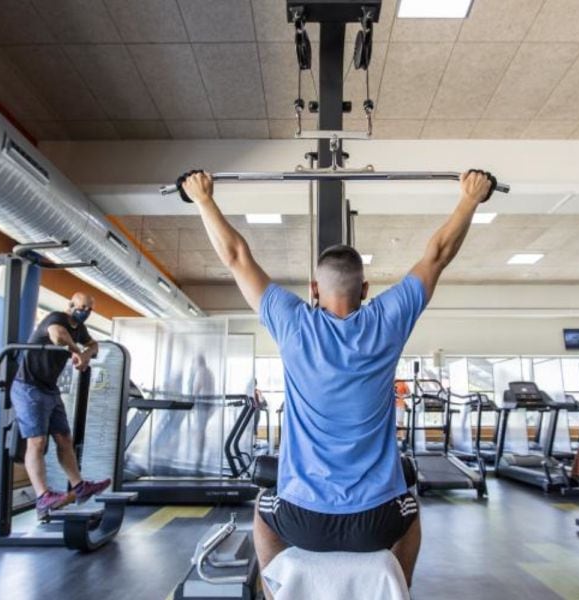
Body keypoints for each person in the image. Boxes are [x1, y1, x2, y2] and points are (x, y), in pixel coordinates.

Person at [182, 169, 494, 595]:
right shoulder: (387, 321)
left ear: (313, 289)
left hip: (301, 521)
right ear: (365, 289)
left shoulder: (292, 323)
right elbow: (437, 254)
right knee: (413, 509)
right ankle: (399, 589)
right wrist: (470, 198)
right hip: (378, 521)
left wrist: (203, 199)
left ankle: (276, 595)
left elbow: (236, 256)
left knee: (262, 508)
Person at [11, 292, 112, 520]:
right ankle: (42, 496)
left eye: (89, 309)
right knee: (37, 441)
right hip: (28, 386)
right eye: (82, 307)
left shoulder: (79, 329)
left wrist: (87, 353)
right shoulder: (57, 318)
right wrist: (77, 352)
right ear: (71, 305)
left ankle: (79, 487)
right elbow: (57, 336)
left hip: (49, 388)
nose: (85, 311)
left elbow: (94, 344)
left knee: (64, 438)